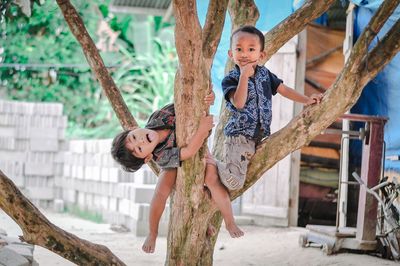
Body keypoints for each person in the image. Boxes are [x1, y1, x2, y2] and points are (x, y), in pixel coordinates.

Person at [111, 91, 243, 254]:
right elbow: (187, 152)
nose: (141, 141)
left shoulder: (159, 117)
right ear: (147, 158)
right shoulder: (160, 156)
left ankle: (229, 222)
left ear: (133, 129)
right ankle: (152, 232)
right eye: (139, 149)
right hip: (178, 160)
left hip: (200, 151)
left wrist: (208, 98)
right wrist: (202, 130)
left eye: (133, 137)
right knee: (160, 193)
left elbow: (188, 102)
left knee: (211, 179)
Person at [217, 25, 323, 191]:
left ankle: (215, 167)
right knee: (235, 183)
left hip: (257, 139)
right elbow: (238, 103)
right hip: (238, 139)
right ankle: (210, 162)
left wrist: (307, 100)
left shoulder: (265, 74)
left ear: (261, 55)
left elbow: (284, 90)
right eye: (239, 49)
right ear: (231, 54)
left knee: (241, 180)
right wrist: (244, 76)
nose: (244, 54)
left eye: (251, 49)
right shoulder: (231, 79)